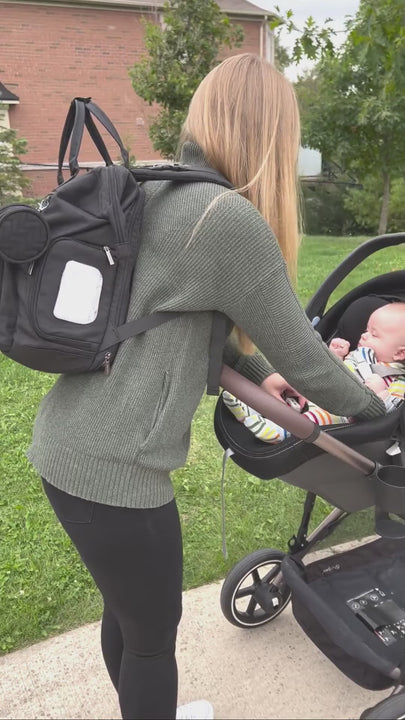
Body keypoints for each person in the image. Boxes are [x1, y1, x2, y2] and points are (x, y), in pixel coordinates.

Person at [27, 53, 387, 720]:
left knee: (131, 618)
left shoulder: (160, 189)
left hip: (66, 447)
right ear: (270, 138)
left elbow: (179, 329)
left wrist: (256, 373)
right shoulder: (225, 219)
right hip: (116, 472)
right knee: (150, 643)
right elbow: (310, 362)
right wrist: (380, 410)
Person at [223, 302, 405, 442]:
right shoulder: (358, 356)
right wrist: (336, 355)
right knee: (291, 391)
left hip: (345, 415)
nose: (364, 335)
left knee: (320, 419)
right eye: (366, 330)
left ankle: (280, 431)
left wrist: (381, 393)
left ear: (400, 352)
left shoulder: (397, 380)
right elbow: (336, 370)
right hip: (322, 391)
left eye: (374, 334)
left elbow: (394, 414)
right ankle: (255, 408)